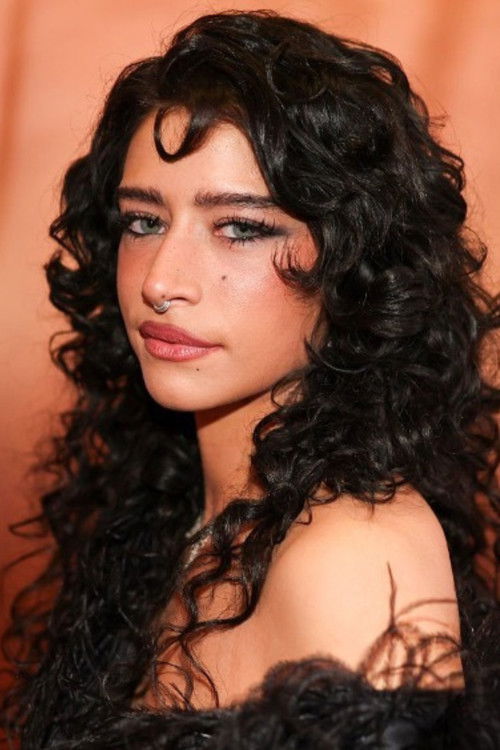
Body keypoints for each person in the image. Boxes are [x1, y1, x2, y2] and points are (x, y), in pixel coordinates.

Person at [1, 9, 499, 748]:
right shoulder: (170, 518)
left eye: (241, 228)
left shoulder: (352, 556)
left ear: (353, 264)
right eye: (143, 221)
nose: (161, 281)